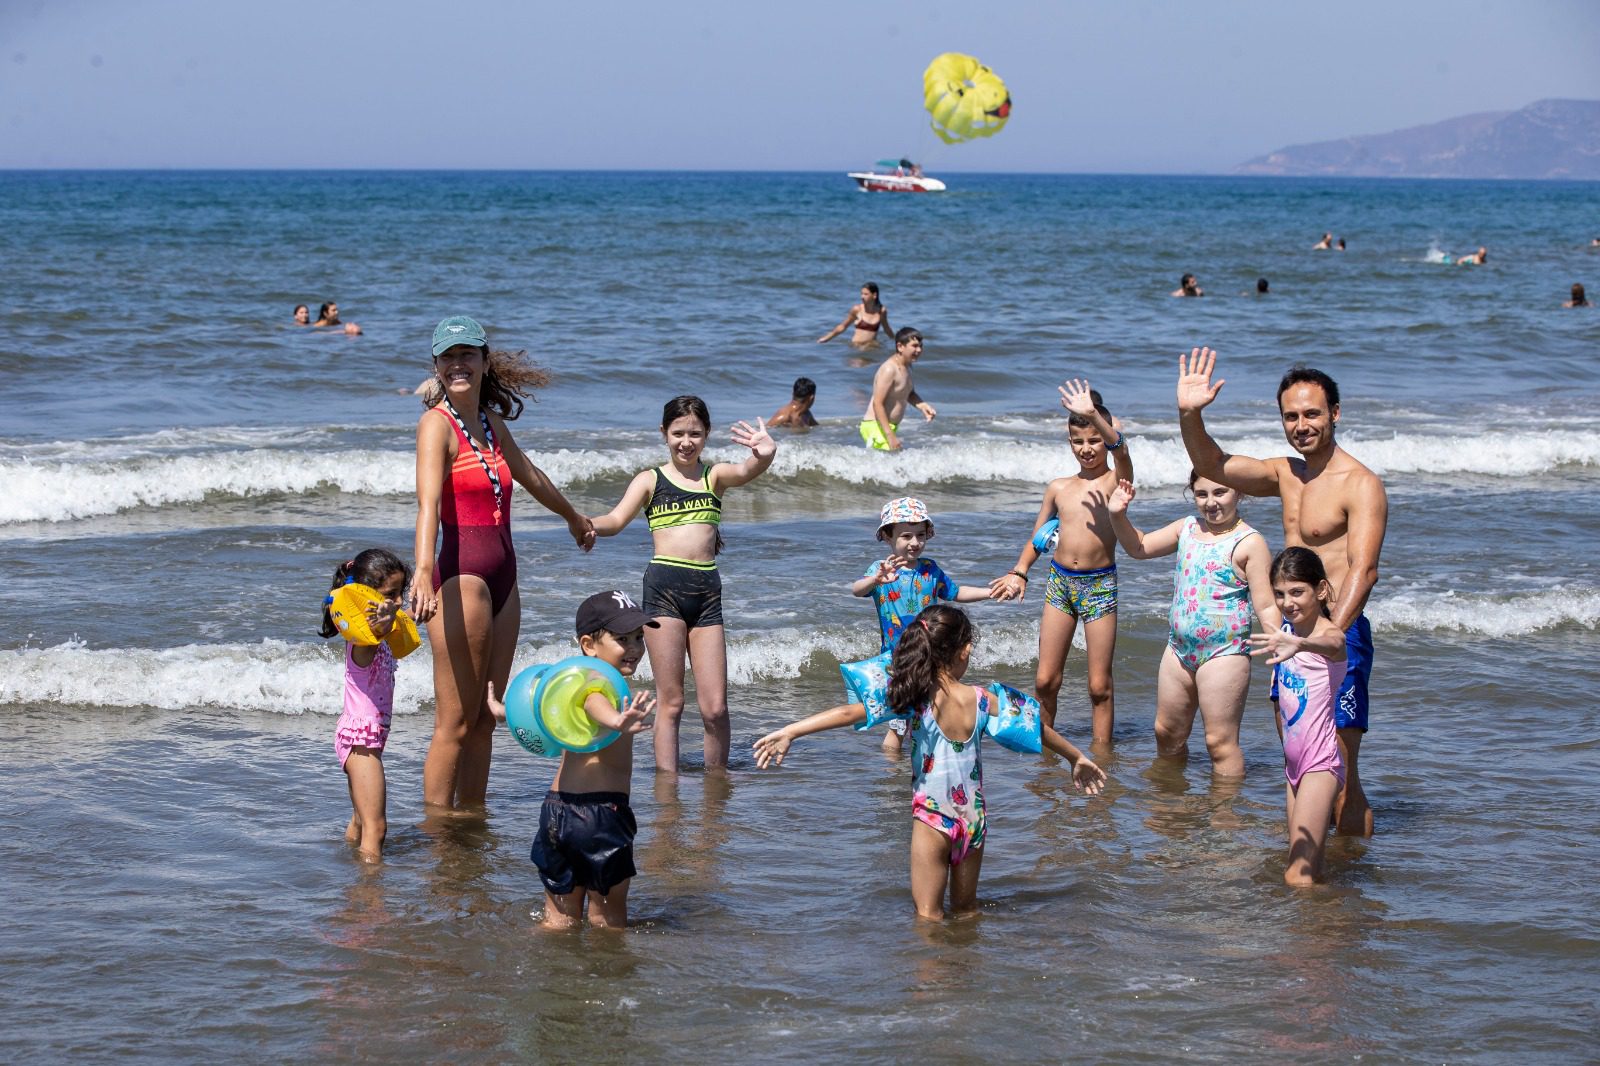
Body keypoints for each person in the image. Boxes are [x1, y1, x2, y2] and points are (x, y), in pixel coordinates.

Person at [753, 605, 1106, 920]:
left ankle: (935, 988)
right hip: (974, 819)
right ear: (963, 650)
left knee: (928, 919)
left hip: (933, 819)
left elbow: (849, 712)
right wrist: (1076, 757)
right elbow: (1037, 728)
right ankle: (966, 979)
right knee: (967, 912)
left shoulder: (914, 699)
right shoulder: (983, 700)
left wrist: (791, 731)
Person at [1176, 347, 1386, 836]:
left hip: (1339, 637)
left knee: (1340, 771)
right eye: (1290, 416)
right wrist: (1190, 414)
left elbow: (1364, 568)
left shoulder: (1360, 484)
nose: (1301, 424)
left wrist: (1329, 634)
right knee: (1300, 759)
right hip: (1289, 638)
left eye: (1312, 413)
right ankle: (1309, 862)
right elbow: (1213, 462)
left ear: (1335, 413)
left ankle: (1350, 880)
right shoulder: (1286, 475)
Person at [409, 315, 595, 814]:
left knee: (487, 719)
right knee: (455, 721)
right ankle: (435, 831)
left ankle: (470, 820)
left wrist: (572, 516)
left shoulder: (492, 425)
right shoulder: (436, 426)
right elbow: (427, 504)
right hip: (461, 577)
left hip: (505, 579)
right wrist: (423, 569)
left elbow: (529, 475)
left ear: (485, 361)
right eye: (448, 356)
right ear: (437, 366)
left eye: (467, 354)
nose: (457, 364)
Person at [590, 395, 776, 773]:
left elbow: (747, 470)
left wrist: (765, 453)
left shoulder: (714, 476)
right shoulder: (650, 480)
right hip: (663, 591)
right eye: (678, 433)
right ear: (664, 433)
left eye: (695, 433)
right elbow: (615, 519)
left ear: (706, 435)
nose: (686, 442)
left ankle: (717, 784)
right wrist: (586, 523)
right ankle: (666, 787)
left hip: (708, 594)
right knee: (671, 702)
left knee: (715, 707)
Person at [487, 591, 659, 929]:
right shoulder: (600, 685)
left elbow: (540, 711)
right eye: (622, 639)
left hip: (556, 811)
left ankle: (551, 975)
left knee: (559, 919)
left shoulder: (564, 685)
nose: (636, 647)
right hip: (601, 817)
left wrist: (504, 712)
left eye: (639, 637)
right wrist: (615, 721)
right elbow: (593, 702)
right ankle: (604, 978)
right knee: (607, 921)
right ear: (588, 644)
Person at [1106, 473, 1278, 777]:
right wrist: (1117, 514)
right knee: (1166, 732)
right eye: (1201, 494)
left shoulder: (1250, 542)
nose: (1210, 502)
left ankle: (1225, 814)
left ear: (1239, 492)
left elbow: (1265, 604)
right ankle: (1173, 799)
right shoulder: (1186, 528)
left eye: (1220, 492)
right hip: (1178, 649)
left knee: (1219, 742)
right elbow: (1139, 547)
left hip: (1224, 652)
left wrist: (1279, 647)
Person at [991, 380, 1133, 743]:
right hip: (1059, 584)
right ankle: (1046, 750)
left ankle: (1102, 757)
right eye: (1078, 441)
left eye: (1094, 440)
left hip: (1099, 586)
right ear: (1069, 442)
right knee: (1045, 680)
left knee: (1099, 686)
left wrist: (1094, 417)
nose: (1087, 449)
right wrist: (1019, 572)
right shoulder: (1058, 487)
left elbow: (1122, 450)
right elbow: (1039, 537)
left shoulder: (1118, 480)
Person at [854, 497, 1005, 754]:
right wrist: (876, 579)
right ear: (888, 537)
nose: (915, 542)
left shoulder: (930, 569)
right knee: (898, 723)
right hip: (898, 658)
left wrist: (989, 593)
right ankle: (891, 774)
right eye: (906, 536)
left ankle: (924, 761)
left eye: (920, 535)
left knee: (929, 713)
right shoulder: (880, 570)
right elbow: (857, 590)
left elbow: (956, 592)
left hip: (934, 656)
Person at [1250, 547, 1348, 886]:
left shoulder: (1326, 637)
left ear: (1320, 590)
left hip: (1320, 764)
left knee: (1297, 875)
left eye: (1297, 592)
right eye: (1280, 593)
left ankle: (1302, 937)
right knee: (1310, 868)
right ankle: (1327, 929)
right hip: (1293, 768)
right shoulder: (1285, 633)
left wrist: (1301, 645)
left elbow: (1336, 639)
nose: (1287, 602)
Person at [319, 548, 412, 863]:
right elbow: (370, 639)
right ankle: (370, 896)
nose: (398, 602)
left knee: (361, 820)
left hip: (363, 739)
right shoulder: (363, 643)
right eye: (391, 595)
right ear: (365, 597)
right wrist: (382, 626)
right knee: (377, 827)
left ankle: (348, 866)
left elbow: (401, 621)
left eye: (401, 593)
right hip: (361, 743)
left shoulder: (382, 634)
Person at [861, 326, 935, 451]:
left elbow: (908, 393)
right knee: (890, 464)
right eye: (915, 346)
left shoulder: (906, 367)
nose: (919, 350)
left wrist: (922, 405)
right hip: (875, 426)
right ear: (900, 346)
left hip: (888, 426)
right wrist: (890, 435)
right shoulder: (890, 369)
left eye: (921, 346)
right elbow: (877, 403)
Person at [818, 283, 892, 345]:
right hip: (856, 347)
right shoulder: (857, 309)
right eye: (861, 294)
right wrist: (826, 338)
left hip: (872, 349)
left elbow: (887, 329)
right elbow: (842, 326)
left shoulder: (881, 311)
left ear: (874, 295)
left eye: (866, 294)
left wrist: (897, 341)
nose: (862, 297)